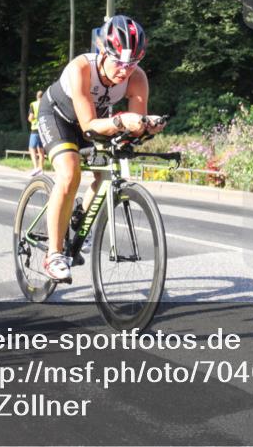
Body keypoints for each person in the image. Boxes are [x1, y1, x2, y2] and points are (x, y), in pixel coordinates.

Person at [36, 15, 166, 281]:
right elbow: (88, 126)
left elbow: (133, 127)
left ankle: (80, 216)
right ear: (104, 53)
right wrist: (121, 121)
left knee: (106, 175)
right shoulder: (82, 68)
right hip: (59, 117)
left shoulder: (137, 78)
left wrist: (145, 126)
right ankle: (53, 254)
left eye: (132, 63)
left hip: (99, 120)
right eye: (118, 62)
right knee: (70, 172)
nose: (124, 70)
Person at [27, 90, 45, 176]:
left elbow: (30, 118)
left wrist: (32, 118)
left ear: (37, 96)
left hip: (35, 129)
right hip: (43, 129)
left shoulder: (33, 104)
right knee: (41, 150)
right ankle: (41, 169)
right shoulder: (45, 104)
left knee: (32, 148)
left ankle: (35, 168)